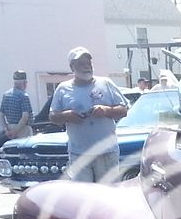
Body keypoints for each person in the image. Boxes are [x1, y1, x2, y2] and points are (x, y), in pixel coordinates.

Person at [49, 47, 129, 182]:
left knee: (107, 195)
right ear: (72, 67)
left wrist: (105, 110)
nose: (86, 66)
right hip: (79, 153)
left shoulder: (105, 83)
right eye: (81, 63)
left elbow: (123, 110)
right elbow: (52, 116)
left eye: (88, 62)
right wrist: (67, 115)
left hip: (106, 153)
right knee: (84, 196)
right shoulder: (63, 88)